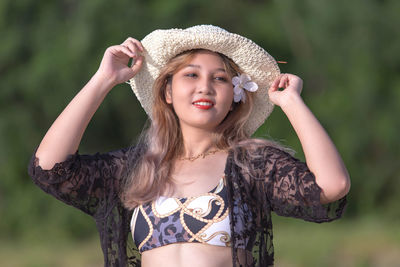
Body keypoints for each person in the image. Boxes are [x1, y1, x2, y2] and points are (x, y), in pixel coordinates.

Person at [28, 25, 350, 267]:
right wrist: (103, 80)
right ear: (167, 91)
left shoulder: (251, 164)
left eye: (221, 79)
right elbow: (49, 168)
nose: (205, 87)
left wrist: (291, 103)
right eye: (191, 75)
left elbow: (332, 185)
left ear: (235, 98)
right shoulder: (139, 167)